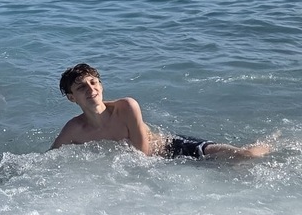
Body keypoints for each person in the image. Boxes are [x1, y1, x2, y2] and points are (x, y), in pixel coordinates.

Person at [51, 63, 271, 160]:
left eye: (93, 82)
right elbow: (49, 159)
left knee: (244, 156)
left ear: (101, 85)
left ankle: (273, 143)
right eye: (81, 87)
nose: (91, 89)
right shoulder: (74, 129)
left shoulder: (126, 107)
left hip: (174, 150)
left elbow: (143, 155)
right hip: (157, 163)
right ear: (72, 98)